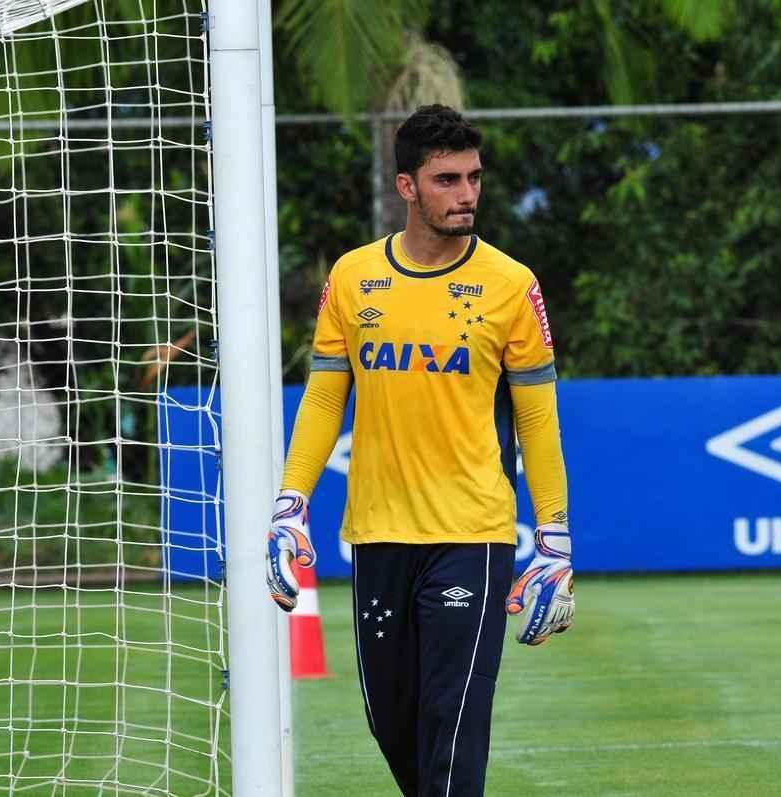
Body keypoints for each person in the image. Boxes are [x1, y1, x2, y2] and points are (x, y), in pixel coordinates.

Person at [265, 104, 574, 796]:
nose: (467, 194)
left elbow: (538, 416)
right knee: (395, 726)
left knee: (453, 726)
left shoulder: (509, 284)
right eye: (446, 180)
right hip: (376, 532)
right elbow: (322, 399)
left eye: (473, 177)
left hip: (473, 532)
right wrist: (291, 504)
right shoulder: (351, 278)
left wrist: (554, 537)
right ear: (406, 187)